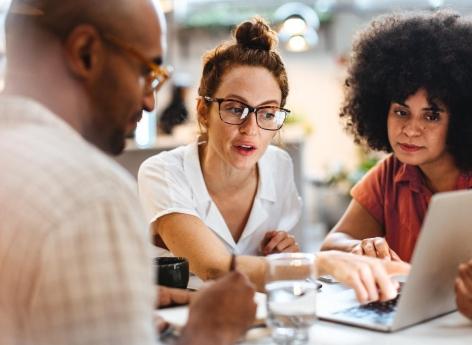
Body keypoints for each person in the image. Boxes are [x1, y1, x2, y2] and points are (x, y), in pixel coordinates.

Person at [0, 1, 256, 345]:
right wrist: (208, 332)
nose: (150, 102)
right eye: (147, 72)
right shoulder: (92, 197)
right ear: (86, 52)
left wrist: (116, 309)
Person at [138, 16, 409, 301]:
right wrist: (319, 263)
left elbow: (267, 272)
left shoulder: (278, 167)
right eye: (234, 108)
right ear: (203, 111)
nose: (251, 128)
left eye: (267, 113)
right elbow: (212, 267)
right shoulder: (163, 173)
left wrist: (282, 256)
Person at [321, 10, 472, 263]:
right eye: (401, 112)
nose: (411, 129)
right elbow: (331, 246)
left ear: (460, 119)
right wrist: (362, 248)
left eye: (431, 116)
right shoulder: (389, 176)